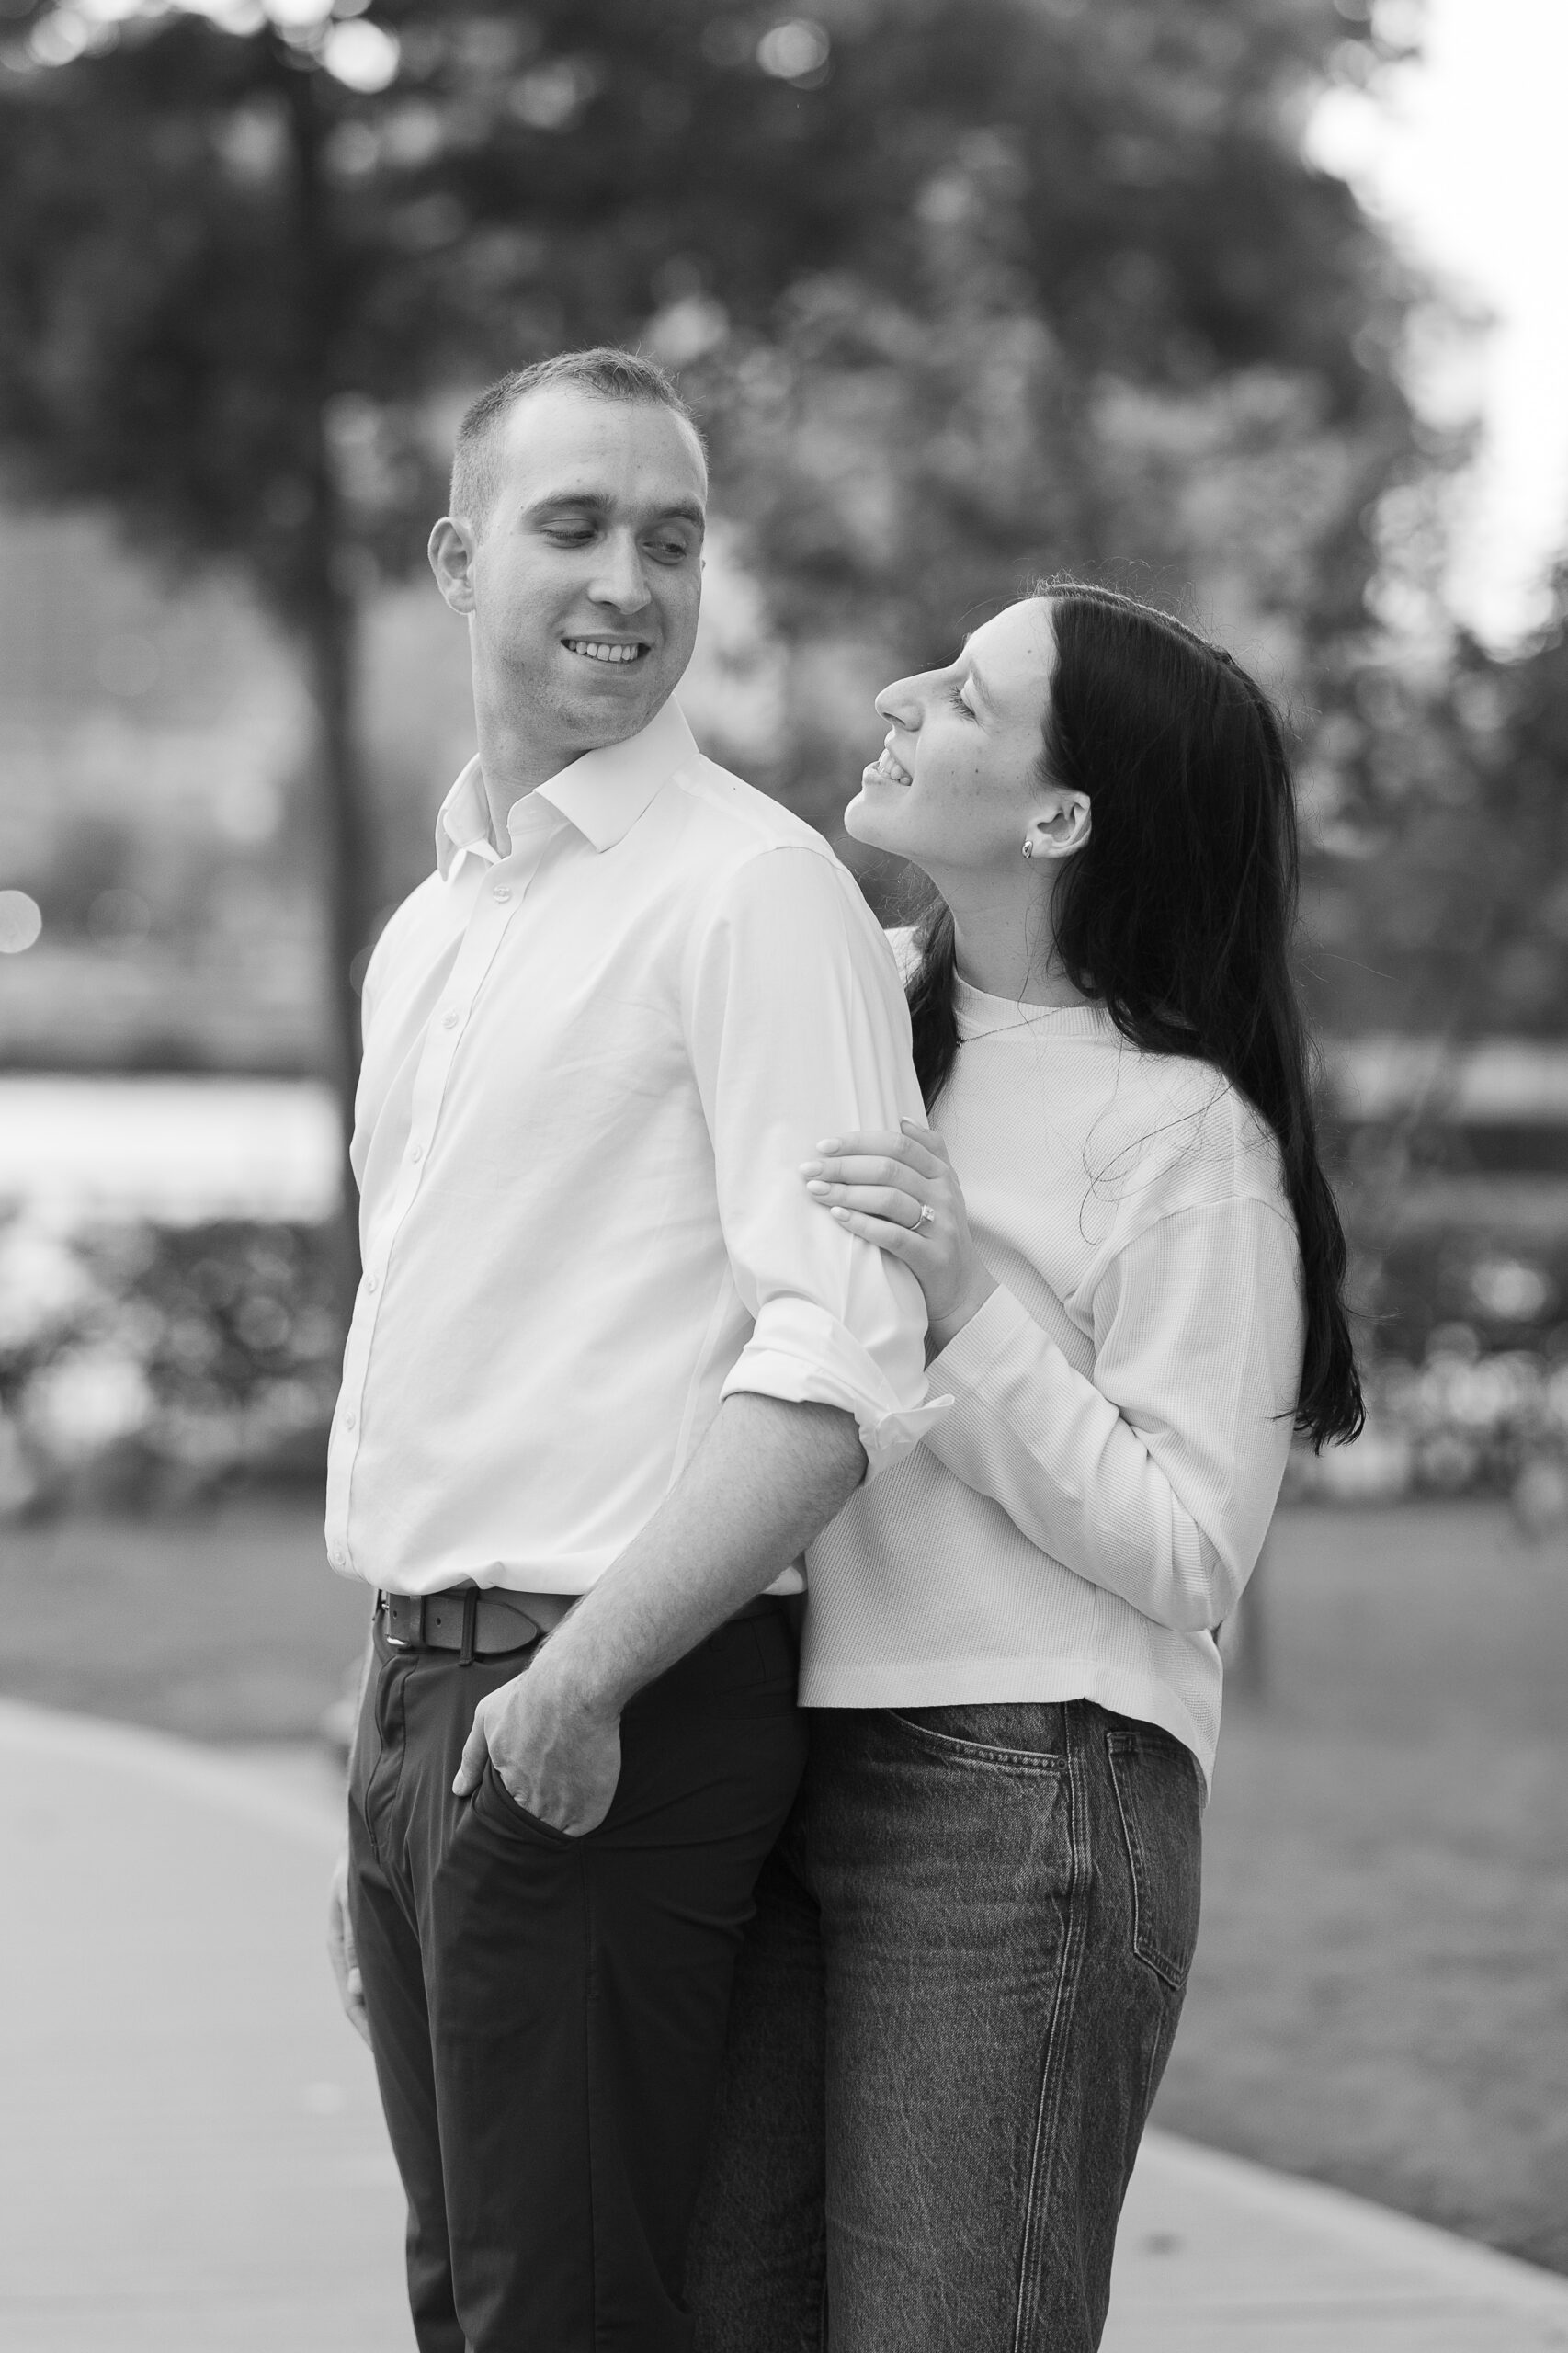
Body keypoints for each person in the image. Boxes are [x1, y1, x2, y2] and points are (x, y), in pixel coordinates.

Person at [323, 347, 943, 2353]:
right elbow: (443, 1338)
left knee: (562, 2317)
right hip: (429, 1696)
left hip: (612, 1692)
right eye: (574, 527)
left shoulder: (753, 892)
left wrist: (575, 1683)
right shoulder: (435, 927)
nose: (628, 582)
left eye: (669, 540)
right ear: (455, 558)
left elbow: (843, 1357)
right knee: (473, 2302)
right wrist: (385, 1741)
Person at [687, 584, 1363, 2353]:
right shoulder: (851, 1008)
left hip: (1021, 1792)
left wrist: (965, 1302)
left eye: (968, 697)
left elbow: (1189, 1547)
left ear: (1058, 819)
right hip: (768, 1747)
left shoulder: (1179, 1132)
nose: (899, 693)